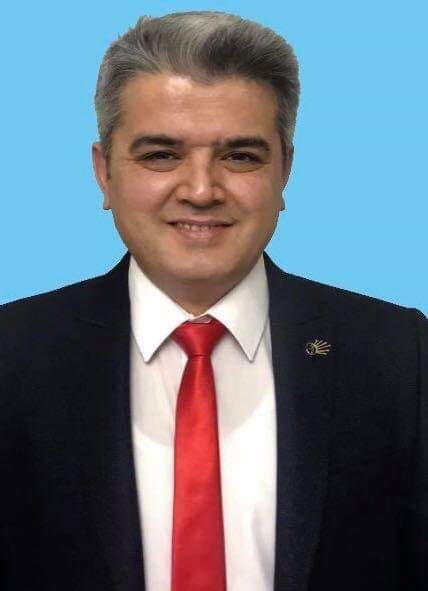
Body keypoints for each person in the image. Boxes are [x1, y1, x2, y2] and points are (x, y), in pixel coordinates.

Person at [0, 10, 426, 591]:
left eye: (240, 156)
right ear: (103, 173)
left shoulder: (399, 355)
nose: (201, 190)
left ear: (285, 171)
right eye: (161, 154)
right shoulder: (13, 355)